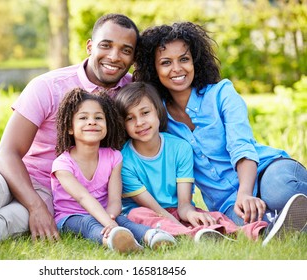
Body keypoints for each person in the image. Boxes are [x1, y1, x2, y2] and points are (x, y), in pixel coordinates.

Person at [0, 13, 141, 259]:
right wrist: (35, 206)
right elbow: (7, 153)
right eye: (106, 45)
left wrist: (39, 206)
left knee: (10, 221)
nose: (114, 56)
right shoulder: (47, 86)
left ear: (133, 58)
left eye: (125, 50)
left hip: (48, 189)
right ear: (89, 46)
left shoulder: (130, 97)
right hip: (10, 171)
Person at [132, 22, 307, 246]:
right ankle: (283, 224)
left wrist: (245, 193)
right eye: (166, 63)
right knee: (248, 225)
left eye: (184, 59)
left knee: (281, 193)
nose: (177, 69)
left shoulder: (222, 93)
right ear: (153, 69)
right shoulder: (157, 117)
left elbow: (241, 146)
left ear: (195, 61)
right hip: (225, 201)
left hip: (266, 170)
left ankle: (283, 216)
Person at [114, 81, 267, 242]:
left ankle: (252, 232)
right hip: (146, 213)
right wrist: (181, 226)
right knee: (140, 215)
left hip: (176, 210)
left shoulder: (180, 148)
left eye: (145, 113)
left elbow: (184, 205)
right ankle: (191, 235)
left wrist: (190, 215)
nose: (139, 122)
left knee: (209, 216)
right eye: (130, 118)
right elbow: (155, 209)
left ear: (158, 112)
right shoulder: (123, 160)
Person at [51, 88, 175, 253]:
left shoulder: (114, 157)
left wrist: (111, 216)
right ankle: (113, 239)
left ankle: (151, 236)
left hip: (105, 212)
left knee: (124, 221)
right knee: (88, 223)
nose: (92, 122)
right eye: (83, 118)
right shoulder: (62, 164)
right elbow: (83, 198)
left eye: (98, 118)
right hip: (71, 217)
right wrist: (108, 223)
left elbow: (115, 200)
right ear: (70, 128)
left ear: (107, 125)